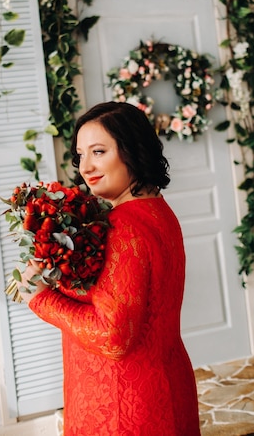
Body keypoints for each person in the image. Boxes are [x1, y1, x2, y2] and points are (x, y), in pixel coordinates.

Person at [19, 101, 201, 436]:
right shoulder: (159, 211)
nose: (86, 167)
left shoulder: (123, 227)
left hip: (124, 406)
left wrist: (41, 297)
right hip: (165, 385)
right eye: (80, 155)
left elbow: (113, 336)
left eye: (98, 151)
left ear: (131, 151)